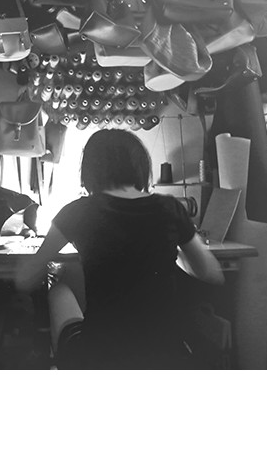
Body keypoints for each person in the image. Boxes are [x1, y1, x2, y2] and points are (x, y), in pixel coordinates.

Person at [15, 128, 224, 369]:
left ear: (90, 170)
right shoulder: (169, 208)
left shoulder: (77, 211)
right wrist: (167, 251)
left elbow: (26, 279)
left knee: (58, 289)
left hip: (103, 353)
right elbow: (211, 273)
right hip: (163, 351)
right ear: (140, 167)